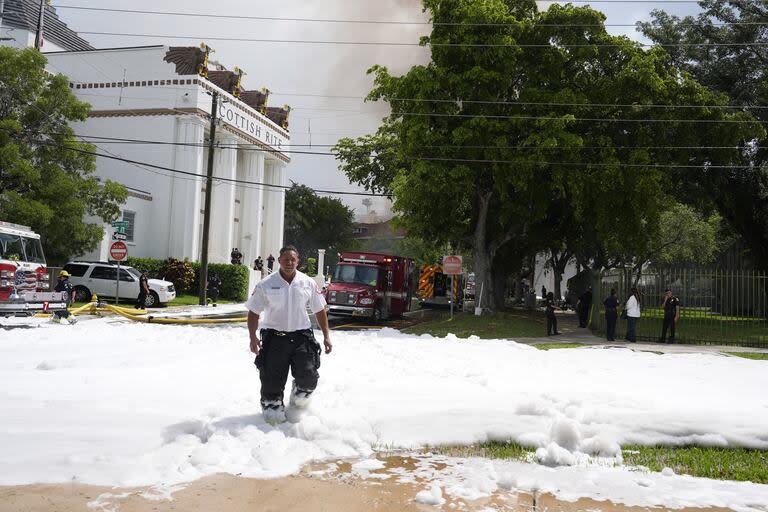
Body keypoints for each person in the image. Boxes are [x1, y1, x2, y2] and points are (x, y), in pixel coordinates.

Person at [247, 245, 332, 425]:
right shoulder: (266, 284)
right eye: (286, 259)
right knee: (272, 381)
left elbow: (319, 309)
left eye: (293, 259)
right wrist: (252, 337)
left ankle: (297, 400)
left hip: (302, 338)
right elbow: (253, 311)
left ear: (297, 261)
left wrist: (326, 335)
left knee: (309, 378)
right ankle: (272, 409)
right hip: (274, 339)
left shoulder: (307, 282)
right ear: (279, 261)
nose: (289, 263)